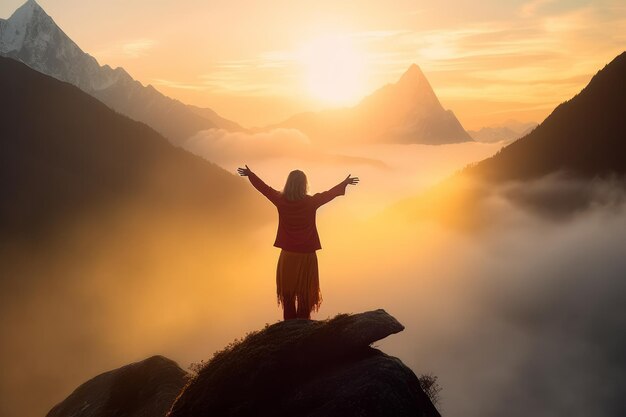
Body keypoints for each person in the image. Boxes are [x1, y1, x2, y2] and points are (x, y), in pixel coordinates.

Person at [237, 165, 359, 320]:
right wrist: (344, 183)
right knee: (304, 296)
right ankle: (303, 330)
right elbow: (329, 194)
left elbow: (264, 189)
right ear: (304, 184)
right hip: (307, 255)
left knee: (288, 296)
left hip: (288, 255)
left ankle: (289, 329)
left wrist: (250, 174)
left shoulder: (280, 200)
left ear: (288, 183)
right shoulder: (311, 202)